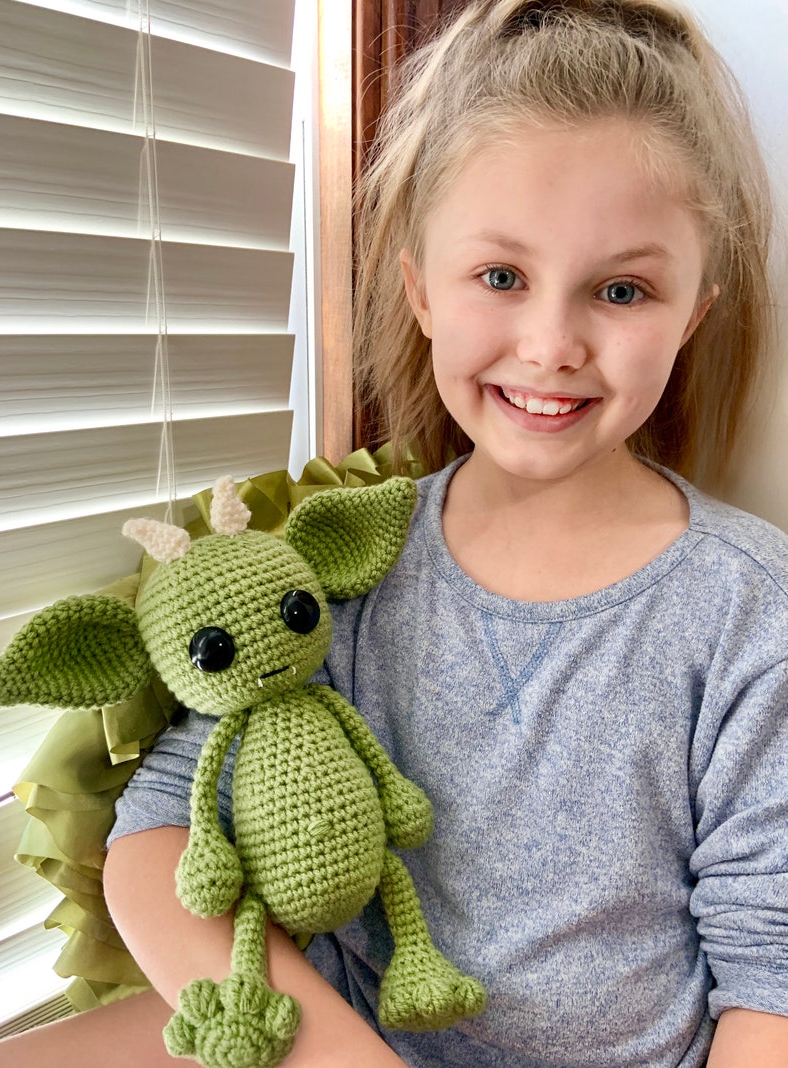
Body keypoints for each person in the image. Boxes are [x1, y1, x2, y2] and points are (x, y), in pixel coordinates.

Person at [103, 1, 788, 1065]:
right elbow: (159, 833)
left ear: (693, 307)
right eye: (500, 277)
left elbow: (769, 982)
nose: (551, 344)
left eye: (621, 289)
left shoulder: (750, 609)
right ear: (420, 288)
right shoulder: (339, 562)